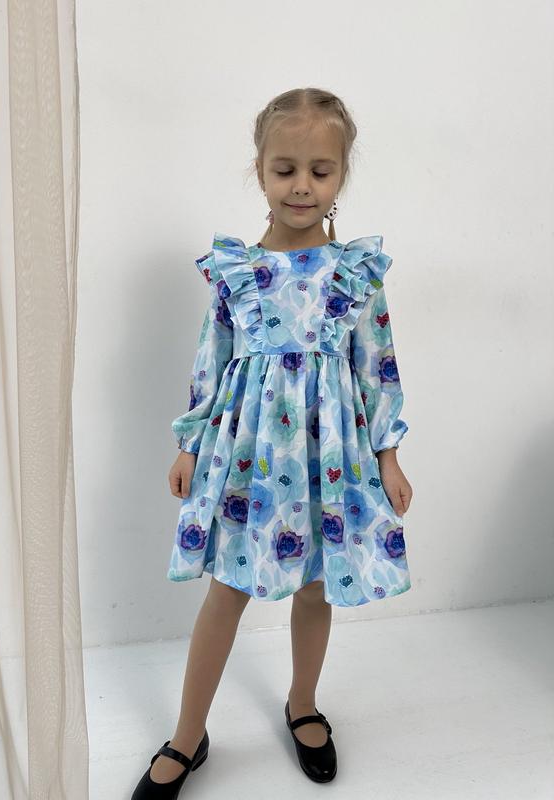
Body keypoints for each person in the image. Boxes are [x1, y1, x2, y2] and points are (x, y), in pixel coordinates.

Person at [131, 86, 414, 799]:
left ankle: (304, 703)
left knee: (315, 583)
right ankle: (188, 735)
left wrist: (388, 454)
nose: (302, 186)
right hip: (249, 458)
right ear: (259, 170)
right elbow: (211, 362)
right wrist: (189, 443)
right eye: (285, 169)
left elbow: (378, 367)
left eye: (321, 170)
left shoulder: (354, 274)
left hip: (329, 456)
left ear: (341, 175)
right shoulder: (238, 272)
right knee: (228, 588)